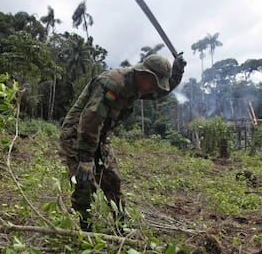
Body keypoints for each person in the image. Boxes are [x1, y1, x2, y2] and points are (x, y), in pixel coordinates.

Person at [59, 54, 186, 232]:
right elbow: (91, 119)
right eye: (154, 83)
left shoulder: (140, 86)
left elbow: (161, 90)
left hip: (100, 136)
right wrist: (86, 158)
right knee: (84, 182)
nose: (153, 89)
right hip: (77, 134)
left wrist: (177, 72)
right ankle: (85, 229)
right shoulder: (113, 83)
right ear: (145, 74)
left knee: (112, 180)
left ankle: (120, 226)